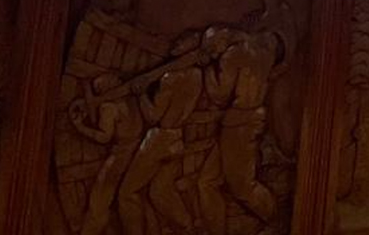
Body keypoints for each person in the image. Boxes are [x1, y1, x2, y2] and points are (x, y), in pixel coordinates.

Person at [198, 24, 282, 232]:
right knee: (207, 181)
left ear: (221, 39)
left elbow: (220, 95)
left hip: (240, 123)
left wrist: (207, 71)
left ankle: (275, 220)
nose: (214, 55)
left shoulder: (232, 55)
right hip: (249, 119)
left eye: (212, 50)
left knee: (242, 186)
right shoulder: (263, 45)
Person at [118, 33, 203, 235]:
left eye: (184, 41)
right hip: (177, 138)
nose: (178, 41)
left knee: (127, 193)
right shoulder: (197, 75)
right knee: (160, 191)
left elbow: (153, 116)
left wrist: (140, 94)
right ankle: (187, 228)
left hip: (160, 139)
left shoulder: (170, 78)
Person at [67, 74, 142, 235]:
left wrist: (80, 126)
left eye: (98, 89)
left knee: (99, 199)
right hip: (137, 150)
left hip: (121, 156)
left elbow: (103, 137)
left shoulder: (108, 108)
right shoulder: (132, 99)